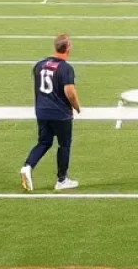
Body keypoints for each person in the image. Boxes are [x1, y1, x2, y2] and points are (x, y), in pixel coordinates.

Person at [20, 33, 81, 191]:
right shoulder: (66, 68)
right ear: (67, 48)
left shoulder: (39, 65)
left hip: (42, 111)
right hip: (60, 113)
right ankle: (62, 180)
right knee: (64, 145)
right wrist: (77, 107)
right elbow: (70, 92)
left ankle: (28, 166)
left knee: (44, 142)